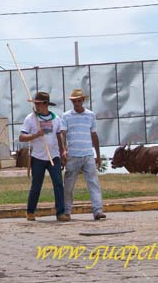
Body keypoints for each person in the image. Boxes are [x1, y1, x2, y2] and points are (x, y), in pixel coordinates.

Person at [19, 91, 68, 222]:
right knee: (36, 185)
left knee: (58, 184)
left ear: (46, 104)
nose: (37, 106)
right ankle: (30, 211)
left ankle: (60, 212)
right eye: (35, 103)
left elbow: (58, 135)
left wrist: (63, 150)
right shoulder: (30, 118)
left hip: (54, 156)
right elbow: (22, 137)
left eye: (39, 104)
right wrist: (36, 135)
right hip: (38, 157)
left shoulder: (56, 118)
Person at [61, 89, 106, 220]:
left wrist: (98, 154)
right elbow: (63, 134)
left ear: (83, 101)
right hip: (73, 154)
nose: (77, 103)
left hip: (88, 154)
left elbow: (94, 135)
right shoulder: (66, 116)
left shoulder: (90, 115)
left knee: (94, 183)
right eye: (74, 101)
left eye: (79, 101)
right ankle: (67, 211)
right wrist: (63, 150)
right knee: (68, 185)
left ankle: (98, 210)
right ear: (72, 102)